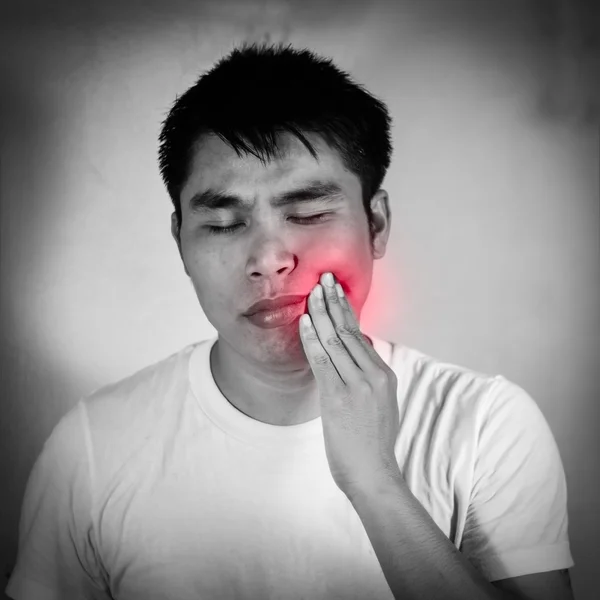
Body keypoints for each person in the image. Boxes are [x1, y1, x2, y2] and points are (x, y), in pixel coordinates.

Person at [6, 42, 575, 600]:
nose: (268, 260)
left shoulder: (484, 425)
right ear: (180, 241)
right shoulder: (93, 446)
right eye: (225, 224)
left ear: (376, 225)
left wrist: (375, 482)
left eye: (307, 213)